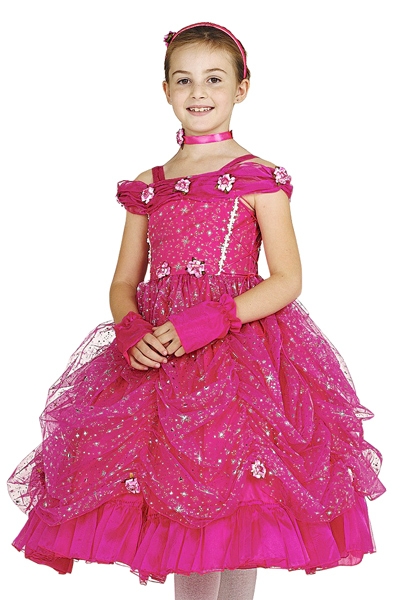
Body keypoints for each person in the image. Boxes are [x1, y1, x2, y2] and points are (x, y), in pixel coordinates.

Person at [8, 22, 385, 600]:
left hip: (240, 359)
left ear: (242, 87)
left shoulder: (259, 178)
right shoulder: (149, 185)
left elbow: (287, 279)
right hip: (160, 359)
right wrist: (130, 327)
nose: (198, 92)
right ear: (165, 90)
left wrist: (210, 319)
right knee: (178, 495)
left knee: (240, 497)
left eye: (214, 79)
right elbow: (123, 281)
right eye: (183, 80)